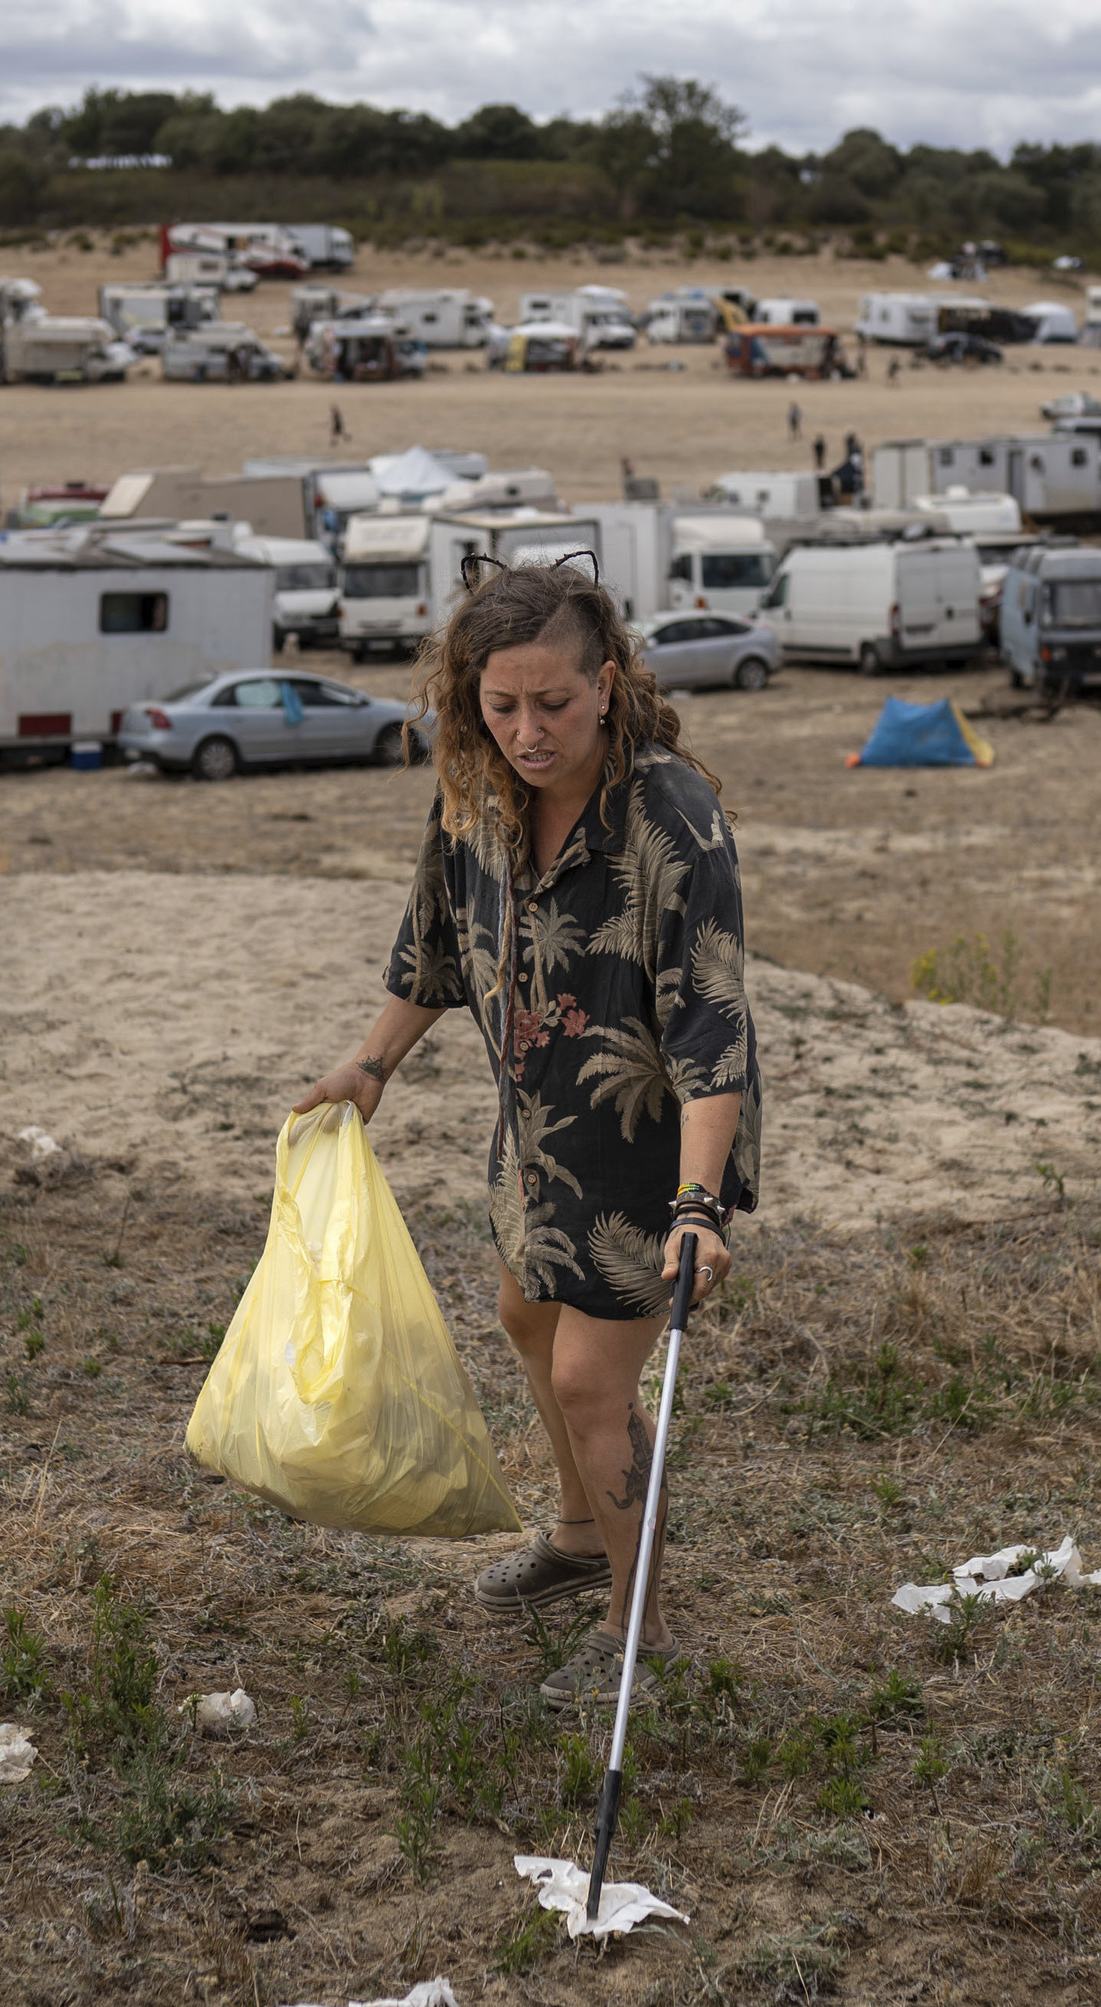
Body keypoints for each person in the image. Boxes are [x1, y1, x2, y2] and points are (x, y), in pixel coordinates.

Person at [293, 560, 759, 1708]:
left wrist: (698, 1207)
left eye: (553, 703)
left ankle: (634, 1623)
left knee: (590, 1379)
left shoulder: (671, 823)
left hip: (648, 1148)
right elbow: (436, 941)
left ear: (607, 683)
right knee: (522, 1313)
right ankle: (580, 1533)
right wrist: (369, 1064)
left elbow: (713, 1023)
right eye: (502, 705)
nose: (528, 730)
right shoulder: (476, 793)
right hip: (538, 1128)